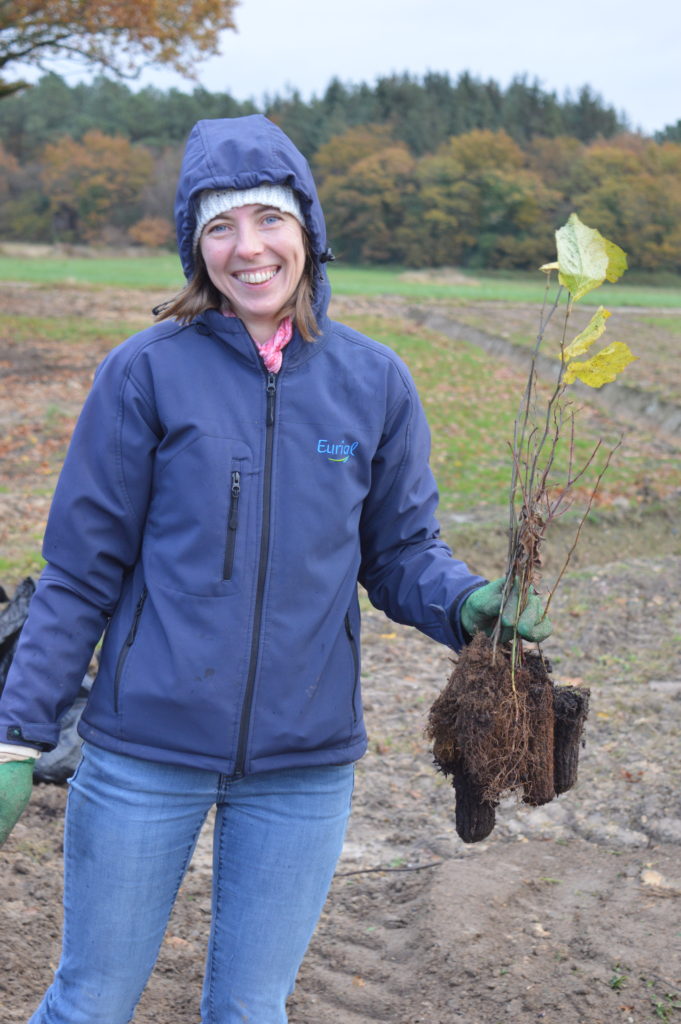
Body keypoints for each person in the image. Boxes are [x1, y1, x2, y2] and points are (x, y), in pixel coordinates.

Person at [0, 115, 551, 1024]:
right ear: (194, 246)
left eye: (266, 219)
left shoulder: (372, 382)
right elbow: (78, 573)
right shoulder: (143, 376)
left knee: (253, 1009)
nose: (246, 248)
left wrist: (469, 602)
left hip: (304, 762)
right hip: (144, 752)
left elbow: (401, 552)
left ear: (307, 228)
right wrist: (16, 734)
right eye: (218, 226)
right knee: (91, 999)